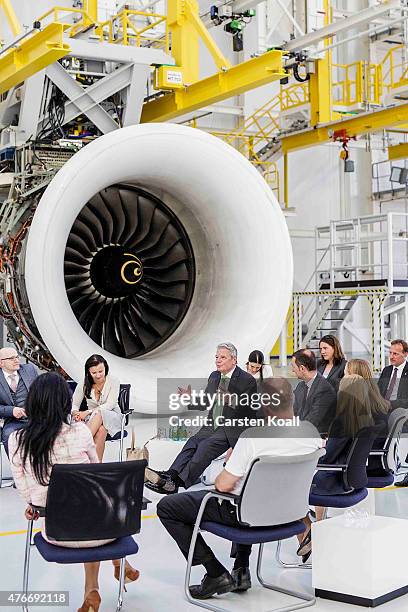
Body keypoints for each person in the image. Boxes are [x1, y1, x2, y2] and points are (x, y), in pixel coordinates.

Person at [157, 377, 323, 599]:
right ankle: (241, 569)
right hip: (290, 515)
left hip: (248, 515)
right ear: (293, 400)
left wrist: (227, 474)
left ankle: (215, 572)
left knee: (168, 507)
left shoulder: (253, 438)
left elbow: (223, 485)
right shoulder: (310, 432)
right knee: (249, 492)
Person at [8, 372, 139, 612]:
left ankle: (94, 587)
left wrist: (34, 505)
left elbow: (28, 495)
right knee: (94, 509)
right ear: (65, 402)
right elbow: (99, 478)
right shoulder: (80, 432)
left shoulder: (17, 440)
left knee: (84, 513)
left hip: (59, 533)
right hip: (105, 532)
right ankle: (111, 568)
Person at [145, 343, 258, 495]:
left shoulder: (247, 380)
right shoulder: (215, 376)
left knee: (205, 447)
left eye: (223, 357)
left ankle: (176, 483)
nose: (218, 360)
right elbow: (205, 401)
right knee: (192, 443)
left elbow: (251, 411)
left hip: (230, 428)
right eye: (217, 357)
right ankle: (170, 476)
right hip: (212, 424)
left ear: (234, 360)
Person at [297, 373, 385, 561]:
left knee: (291, 494)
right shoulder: (366, 417)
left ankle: (310, 536)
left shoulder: (342, 421)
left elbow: (327, 458)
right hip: (353, 480)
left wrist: (320, 447)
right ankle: (314, 535)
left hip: (334, 481)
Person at [72, 355, 122, 461]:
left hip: (112, 416)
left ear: (105, 369)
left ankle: (80, 445)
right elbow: (74, 404)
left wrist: (87, 412)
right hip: (91, 420)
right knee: (101, 430)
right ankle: (97, 467)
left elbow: (110, 405)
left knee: (100, 413)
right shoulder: (84, 383)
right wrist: (76, 413)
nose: (98, 375)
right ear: (88, 372)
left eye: (101, 371)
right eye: (94, 373)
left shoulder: (114, 381)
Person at [377, 340, 408, 485]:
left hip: (401, 411)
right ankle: (377, 464)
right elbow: (377, 392)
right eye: (390, 353)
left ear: (405, 354)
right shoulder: (387, 370)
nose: (391, 356)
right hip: (383, 410)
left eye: (395, 353)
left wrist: (390, 404)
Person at [0, 347, 37, 456]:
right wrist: (11, 410)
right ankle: (17, 469)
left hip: (36, 418)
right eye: (11, 358)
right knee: (8, 435)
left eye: (17, 357)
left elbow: (41, 392)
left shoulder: (29, 369)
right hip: (13, 422)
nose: (17, 360)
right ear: (1, 363)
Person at [292, 349, 337, 434]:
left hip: (316, 436)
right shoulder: (301, 386)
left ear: (302, 368)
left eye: (293, 367)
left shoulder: (324, 390)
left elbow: (312, 423)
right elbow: (293, 412)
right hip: (301, 432)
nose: (292, 370)